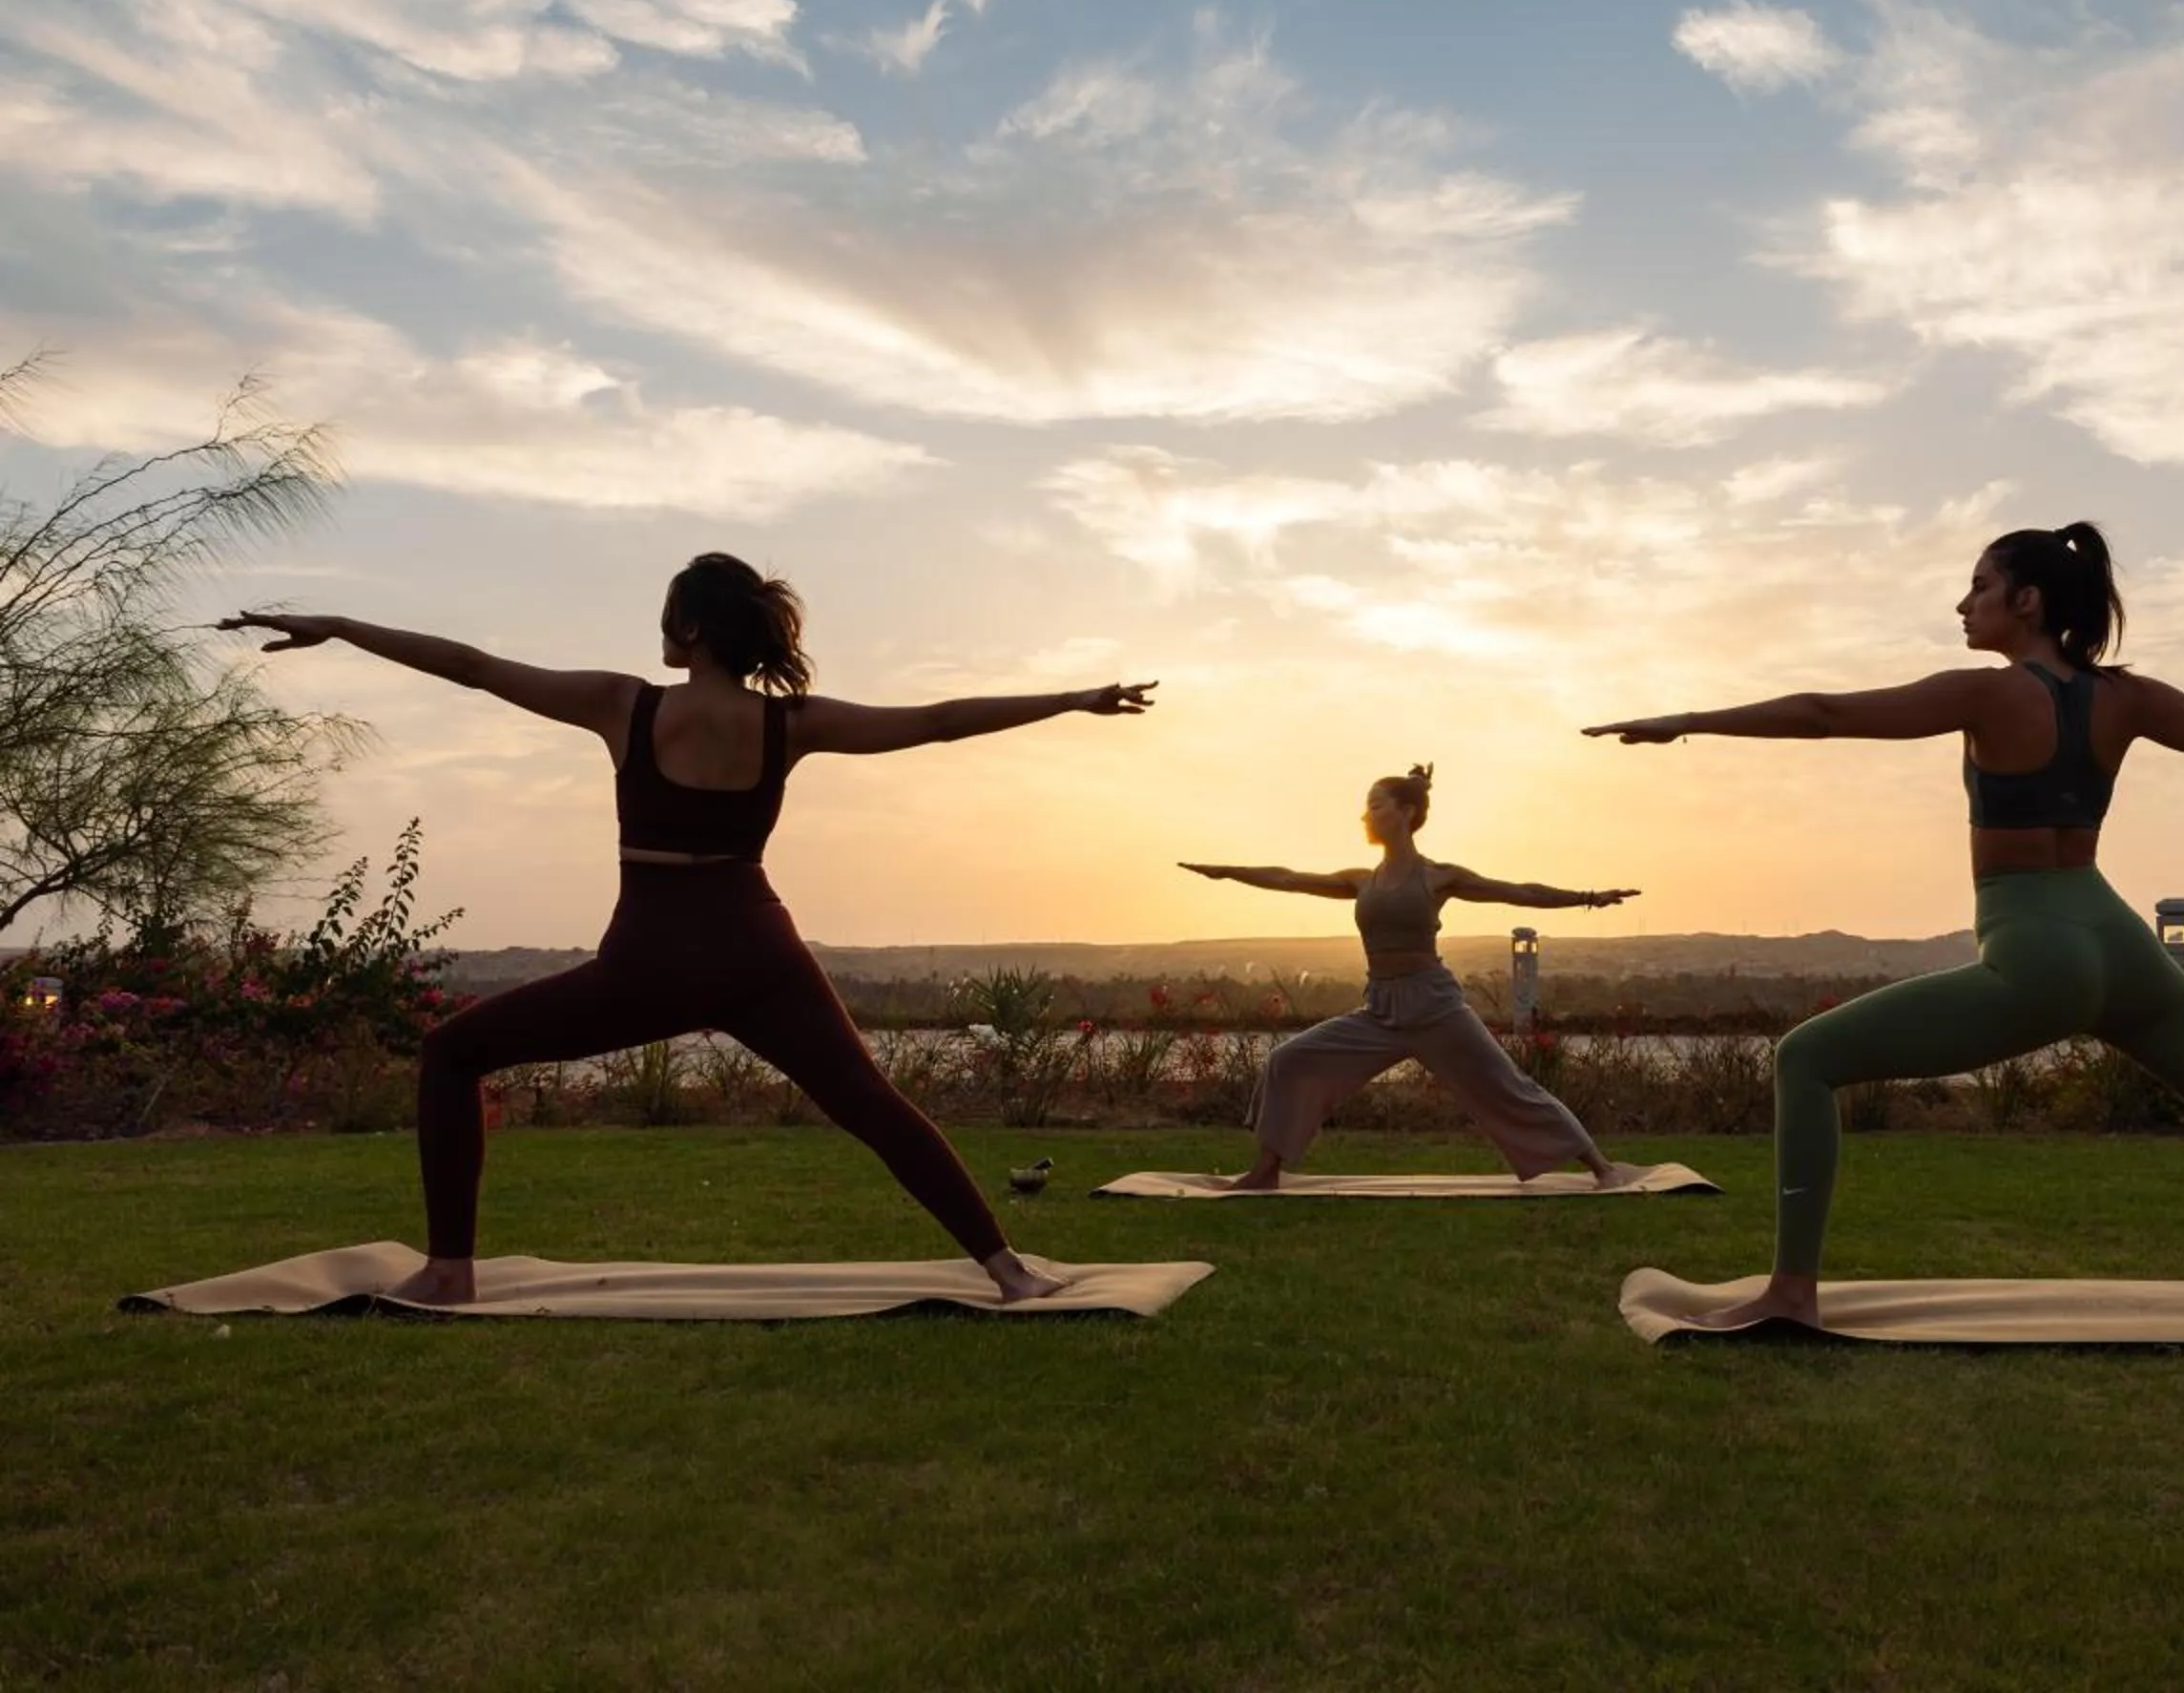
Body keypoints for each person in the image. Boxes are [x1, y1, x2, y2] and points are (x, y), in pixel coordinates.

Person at [1584, 522, 2184, 1335]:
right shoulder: (2128, 697)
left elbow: (1828, 713)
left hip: (2037, 947)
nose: (1963, 605)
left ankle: (1791, 1292)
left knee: (1804, 1057)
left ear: (2029, 600)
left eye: (1980, 587)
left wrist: (1687, 720)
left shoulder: (1988, 693)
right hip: (2117, 942)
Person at [221, 553, 1154, 1306]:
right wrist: (1072, 698)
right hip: (758, 947)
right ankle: (1005, 1265)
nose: (659, 631)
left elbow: (471, 666)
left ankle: (450, 1268)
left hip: (654, 958)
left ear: (693, 628)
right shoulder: (793, 723)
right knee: (872, 1104)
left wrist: (341, 624)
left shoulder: (625, 704)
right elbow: (941, 721)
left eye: (668, 614)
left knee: (453, 1054)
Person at [1180, 764, 1647, 1190]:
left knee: (1509, 1087)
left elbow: (1519, 891)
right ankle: (1266, 1171)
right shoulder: (1360, 880)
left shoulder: (1437, 877)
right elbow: (1289, 877)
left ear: (1405, 813)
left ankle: (1602, 1168)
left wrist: (1589, 897)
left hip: (1435, 1008)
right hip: (1380, 1009)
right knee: (1289, 1060)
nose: (1365, 815)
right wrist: (1226, 872)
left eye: (1375, 805)